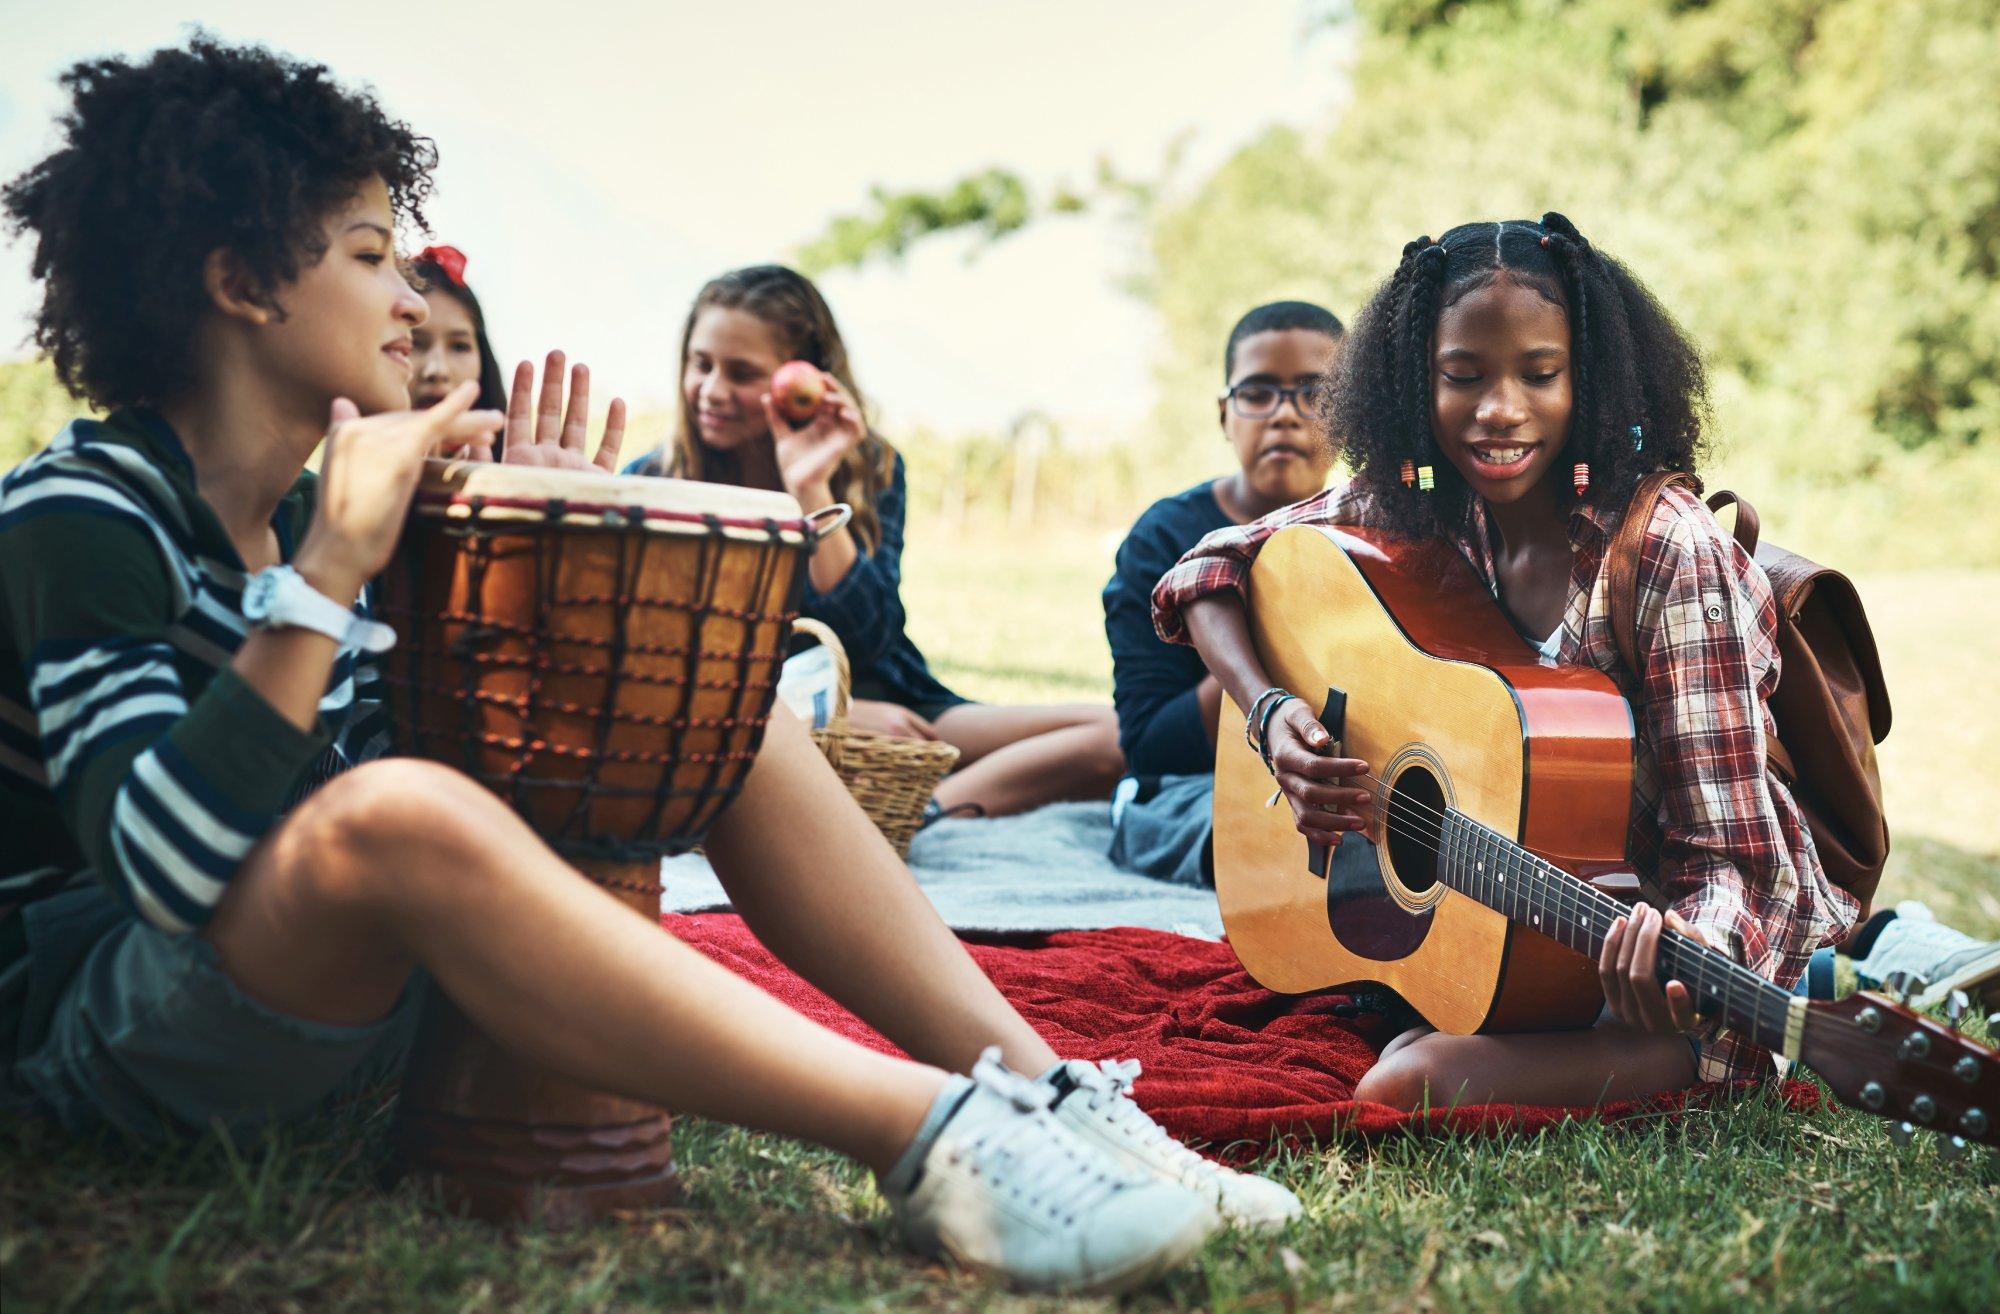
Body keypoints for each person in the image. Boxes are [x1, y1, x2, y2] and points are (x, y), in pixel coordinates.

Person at [0, 40, 1298, 1294]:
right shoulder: (84, 513)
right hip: (117, 1027)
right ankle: (939, 1138)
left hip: (346, 1010)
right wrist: (334, 562)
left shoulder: (311, 512)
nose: (410, 299)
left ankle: (1048, 1093)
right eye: (369, 256)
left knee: (713, 701)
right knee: (392, 817)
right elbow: (166, 871)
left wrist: (547, 584)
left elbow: (437, 747)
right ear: (241, 284)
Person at [1153, 215, 1860, 1109]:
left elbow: (1734, 866)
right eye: (1463, 376)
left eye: (1540, 374)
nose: (1500, 410)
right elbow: (1207, 569)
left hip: (1682, 988)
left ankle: (1815, 1013)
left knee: (1408, 1081)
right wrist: (1267, 716)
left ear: (1592, 381)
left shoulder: (1669, 556)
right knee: (1404, 1040)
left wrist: (1689, 960)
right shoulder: (1421, 504)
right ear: (1416, 383)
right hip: (1507, 942)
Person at [624, 266, 1124, 819]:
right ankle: (919, 808)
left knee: (1119, 735)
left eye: (741, 373)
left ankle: (920, 808)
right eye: (701, 364)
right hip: (745, 720)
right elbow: (646, 656)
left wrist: (810, 486)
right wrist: (816, 714)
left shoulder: (869, 467)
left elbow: (870, 637)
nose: (712, 390)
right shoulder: (655, 481)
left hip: (895, 701)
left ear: (804, 376)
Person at [1102, 301, 1342, 884]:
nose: (1285, 415)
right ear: (1224, 415)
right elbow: (1151, 748)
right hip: (1191, 791)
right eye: (1258, 394)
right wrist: (1268, 651)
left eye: (1314, 393)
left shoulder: (1373, 529)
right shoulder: (1163, 537)